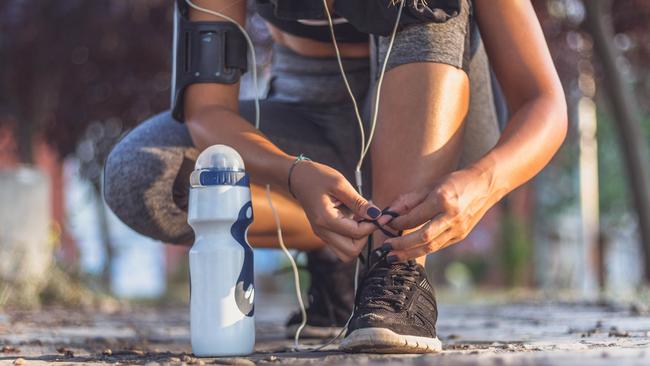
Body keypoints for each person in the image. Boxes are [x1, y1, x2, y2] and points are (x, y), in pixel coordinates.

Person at [104, 0, 567, 353]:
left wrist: (484, 182)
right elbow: (206, 110)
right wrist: (292, 173)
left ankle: (396, 268)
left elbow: (545, 104)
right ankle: (343, 248)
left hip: (448, 128)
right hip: (311, 129)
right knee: (145, 179)